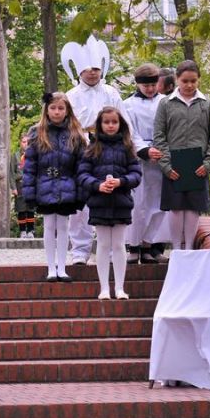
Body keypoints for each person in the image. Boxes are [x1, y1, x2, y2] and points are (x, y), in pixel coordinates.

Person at [63, 35, 128, 265]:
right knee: (80, 203)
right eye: (87, 69)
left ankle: (108, 249)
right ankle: (80, 250)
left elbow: (124, 121)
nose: (92, 73)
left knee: (108, 198)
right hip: (80, 150)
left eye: (96, 69)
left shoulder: (111, 93)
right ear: (79, 71)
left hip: (108, 151)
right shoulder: (71, 96)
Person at [153, 60, 210, 251]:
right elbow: (159, 135)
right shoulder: (165, 104)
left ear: (199, 80)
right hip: (173, 165)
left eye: (193, 81)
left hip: (198, 165)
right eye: (185, 81)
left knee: (193, 207)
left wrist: (209, 162)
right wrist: (166, 165)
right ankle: (176, 249)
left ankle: (189, 247)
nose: (189, 85)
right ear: (177, 79)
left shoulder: (208, 105)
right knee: (176, 208)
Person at [78, 106, 142, 299]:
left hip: (121, 202)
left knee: (119, 245)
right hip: (99, 202)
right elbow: (82, 175)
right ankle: (104, 288)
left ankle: (120, 288)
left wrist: (121, 182)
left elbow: (136, 174)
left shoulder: (128, 147)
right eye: (106, 122)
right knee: (104, 244)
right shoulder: (91, 148)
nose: (111, 125)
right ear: (100, 125)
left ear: (120, 124)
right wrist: (98, 185)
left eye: (114, 122)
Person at [22, 92, 86, 282]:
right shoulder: (37, 132)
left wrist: (81, 192)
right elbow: (30, 166)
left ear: (67, 111)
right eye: (53, 108)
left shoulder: (75, 133)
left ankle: (62, 267)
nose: (57, 112)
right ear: (47, 110)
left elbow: (81, 166)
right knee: (49, 225)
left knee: (64, 226)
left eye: (60, 108)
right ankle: (51, 267)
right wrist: (29, 192)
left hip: (67, 186)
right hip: (45, 185)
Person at [122, 63, 170, 264]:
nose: (150, 89)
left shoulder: (166, 102)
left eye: (153, 85)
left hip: (163, 157)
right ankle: (133, 246)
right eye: (146, 85)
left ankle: (151, 245)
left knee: (159, 204)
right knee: (138, 204)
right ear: (137, 84)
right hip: (140, 158)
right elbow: (129, 132)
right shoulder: (128, 105)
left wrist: (162, 148)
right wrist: (144, 150)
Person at [10, 132, 36, 239]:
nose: (26, 144)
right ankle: (22, 231)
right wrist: (13, 188)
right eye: (24, 142)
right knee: (21, 209)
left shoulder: (34, 155)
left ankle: (30, 231)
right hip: (20, 185)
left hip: (31, 185)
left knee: (30, 209)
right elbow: (11, 173)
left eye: (28, 142)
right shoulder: (15, 156)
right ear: (20, 143)